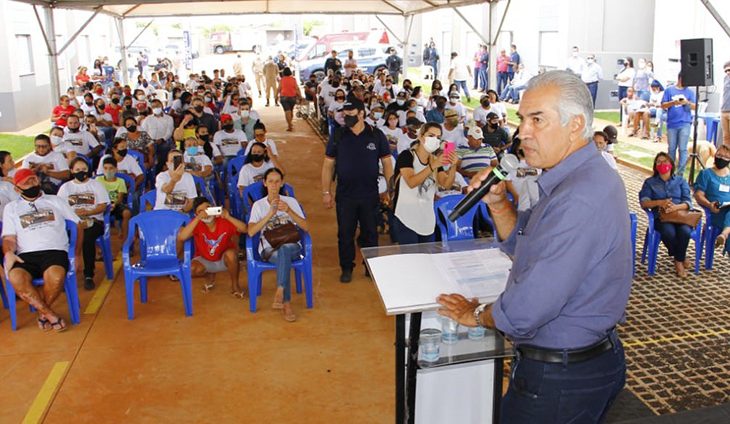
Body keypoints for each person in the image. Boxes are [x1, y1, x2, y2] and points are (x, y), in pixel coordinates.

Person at [437, 70, 631, 422]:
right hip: (574, 368)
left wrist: (476, 315)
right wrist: (497, 203)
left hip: (560, 378)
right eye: (522, 119)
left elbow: (525, 310)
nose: (522, 132)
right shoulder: (573, 179)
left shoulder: (578, 198)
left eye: (537, 120)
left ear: (576, 125)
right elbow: (524, 244)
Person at [321, 100, 393, 283]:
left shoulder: (376, 135)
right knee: (345, 233)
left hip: (370, 194)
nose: (346, 117)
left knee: (370, 233)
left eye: (350, 113)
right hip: (345, 196)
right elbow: (328, 165)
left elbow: (386, 163)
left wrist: (390, 188)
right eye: (344, 113)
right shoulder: (338, 135)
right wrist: (326, 192)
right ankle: (346, 267)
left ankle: (371, 267)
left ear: (361, 113)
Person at [2, 169, 83, 332]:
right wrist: (8, 252)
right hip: (26, 255)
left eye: (33, 179)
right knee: (15, 277)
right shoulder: (11, 208)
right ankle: (49, 314)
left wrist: (77, 253)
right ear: (17, 189)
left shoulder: (56, 201)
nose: (31, 184)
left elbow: (78, 225)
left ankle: (43, 314)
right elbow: (9, 238)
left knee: (56, 276)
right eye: (26, 182)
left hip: (54, 251)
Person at [248, 168, 308, 322]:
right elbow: (251, 232)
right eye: (270, 182)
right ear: (264, 183)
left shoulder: (291, 202)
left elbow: (305, 227)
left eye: (277, 182)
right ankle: (286, 302)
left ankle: (281, 291)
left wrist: (288, 210)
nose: (274, 185)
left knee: (286, 250)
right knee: (283, 256)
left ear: (282, 183)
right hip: (269, 249)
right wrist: (269, 214)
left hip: (292, 245)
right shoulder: (258, 205)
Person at [392, 122, 458, 244]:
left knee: (427, 258)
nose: (435, 140)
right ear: (421, 137)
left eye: (438, 137)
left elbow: (446, 184)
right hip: (406, 217)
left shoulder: (435, 160)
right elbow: (411, 182)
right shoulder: (407, 156)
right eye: (431, 135)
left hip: (426, 218)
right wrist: (432, 166)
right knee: (411, 259)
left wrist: (453, 166)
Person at [57, 157, 109, 290]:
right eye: (78, 170)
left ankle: (88, 274)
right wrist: (75, 216)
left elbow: (103, 206)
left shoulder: (96, 185)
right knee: (60, 240)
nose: (81, 172)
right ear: (72, 171)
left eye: (84, 169)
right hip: (72, 223)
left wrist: (88, 212)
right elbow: (60, 209)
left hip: (94, 221)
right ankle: (65, 274)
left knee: (87, 239)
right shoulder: (65, 187)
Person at [178, 197, 247, 297]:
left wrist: (228, 216)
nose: (205, 214)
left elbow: (245, 229)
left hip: (224, 259)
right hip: (205, 260)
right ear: (196, 214)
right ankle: (209, 274)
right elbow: (182, 237)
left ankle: (235, 285)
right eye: (200, 212)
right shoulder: (197, 223)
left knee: (232, 255)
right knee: (190, 269)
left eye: (207, 209)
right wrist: (197, 219)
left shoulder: (223, 220)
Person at [640, 152, 694, 277]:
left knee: (685, 232)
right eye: (659, 162)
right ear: (655, 166)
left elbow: (688, 202)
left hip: (680, 215)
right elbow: (644, 203)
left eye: (665, 161)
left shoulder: (681, 181)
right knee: (669, 233)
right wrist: (660, 203)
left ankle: (678, 258)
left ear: (671, 164)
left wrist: (676, 207)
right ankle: (680, 260)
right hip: (662, 217)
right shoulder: (650, 182)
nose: (662, 164)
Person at [693, 145, 730, 250]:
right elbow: (698, 194)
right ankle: (724, 234)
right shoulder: (706, 174)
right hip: (717, 212)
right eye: (719, 155)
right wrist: (709, 204)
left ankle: (724, 234)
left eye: (725, 157)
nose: (721, 158)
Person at [661, 73, 696, 177]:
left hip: (685, 122)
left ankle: (680, 173)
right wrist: (673, 102)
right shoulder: (669, 90)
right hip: (672, 123)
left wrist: (686, 103)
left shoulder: (690, 92)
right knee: (671, 148)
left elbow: (695, 106)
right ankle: (670, 170)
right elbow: (663, 104)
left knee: (683, 148)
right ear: (680, 78)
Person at [96, 156, 131, 241]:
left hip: (115, 204)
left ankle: (125, 239)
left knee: (126, 213)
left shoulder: (120, 181)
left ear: (116, 169)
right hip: (102, 204)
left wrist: (114, 205)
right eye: (105, 168)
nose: (108, 171)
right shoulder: (98, 180)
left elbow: (120, 198)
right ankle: (102, 245)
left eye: (111, 168)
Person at [279, 67, 302, 132]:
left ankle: (289, 125)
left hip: (284, 97)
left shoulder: (282, 80)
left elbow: (279, 88)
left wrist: (276, 96)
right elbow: (297, 88)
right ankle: (290, 123)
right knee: (291, 111)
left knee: (287, 111)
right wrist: (300, 96)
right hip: (292, 97)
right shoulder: (293, 79)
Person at [721, 60, 730, 147]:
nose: (727, 72)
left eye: (729, 70)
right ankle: (726, 156)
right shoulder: (725, 79)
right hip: (724, 110)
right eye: (726, 71)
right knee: (725, 136)